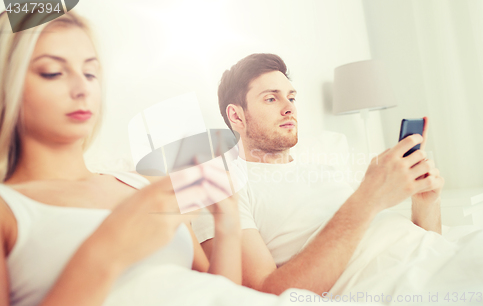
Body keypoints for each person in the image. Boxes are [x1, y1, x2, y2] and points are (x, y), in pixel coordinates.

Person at [0, 11, 304, 306]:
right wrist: (108, 248)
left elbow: (218, 293)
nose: (82, 89)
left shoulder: (146, 187)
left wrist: (227, 222)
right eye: (52, 72)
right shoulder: (9, 209)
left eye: (90, 73)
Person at [191, 53, 446, 296]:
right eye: (271, 98)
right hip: (402, 287)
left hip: (436, 263)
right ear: (236, 116)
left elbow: (419, 245)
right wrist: (368, 198)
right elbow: (263, 294)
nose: (289, 107)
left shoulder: (325, 170)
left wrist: (426, 205)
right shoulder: (221, 187)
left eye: (291, 97)